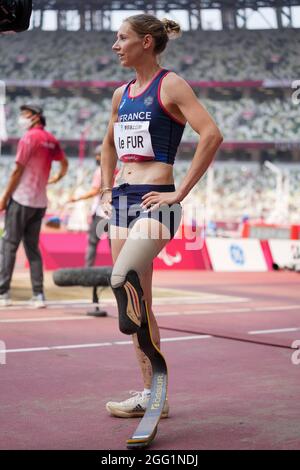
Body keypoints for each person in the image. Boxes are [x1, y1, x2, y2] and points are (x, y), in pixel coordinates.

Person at [100, 14, 223, 418]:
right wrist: (105, 188)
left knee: (122, 279)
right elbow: (108, 146)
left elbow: (211, 134)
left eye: (122, 39)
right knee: (141, 305)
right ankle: (153, 394)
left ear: (146, 43)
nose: (116, 46)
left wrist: (181, 192)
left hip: (158, 201)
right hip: (121, 200)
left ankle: (155, 390)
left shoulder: (170, 84)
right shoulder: (121, 94)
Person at [0, 104, 68, 308]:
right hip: (39, 203)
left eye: (24, 115)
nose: (21, 118)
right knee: (32, 248)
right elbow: (64, 163)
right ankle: (38, 295)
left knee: (9, 245)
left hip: (22, 199)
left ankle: (3, 293)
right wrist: (57, 178)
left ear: (36, 117)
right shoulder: (50, 139)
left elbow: (17, 171)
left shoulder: (28, 138)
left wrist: (4, 198)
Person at [68, 145, 113, 267]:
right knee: (113, 245)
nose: (96, 158)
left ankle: (88, 270)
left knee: (92, 242)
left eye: (98, 155)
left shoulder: (99, 171)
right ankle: (119, 273)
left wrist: (77, 198)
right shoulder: (116, 170)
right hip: (114, 213)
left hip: (101, 213)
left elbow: (94, 191)